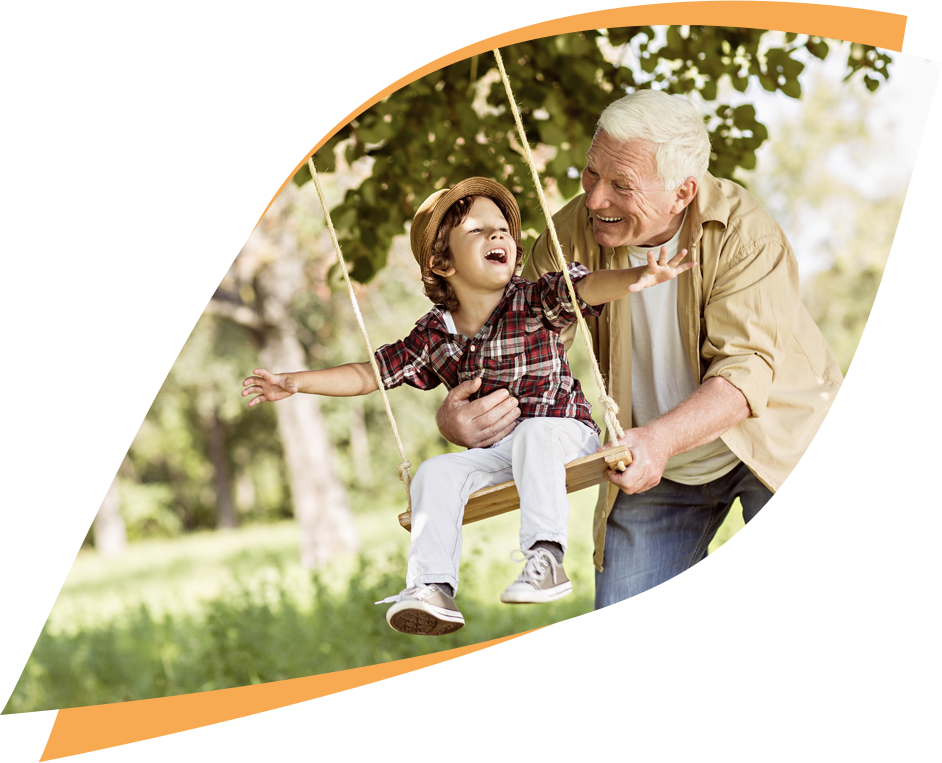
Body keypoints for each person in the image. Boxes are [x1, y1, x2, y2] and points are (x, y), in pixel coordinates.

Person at [436, 92, 894, 715]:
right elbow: (508, 339)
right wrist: (461, 415)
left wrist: (659, 440)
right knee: (631, 624)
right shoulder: (572, 233)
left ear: (683, 190)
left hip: (770, 437)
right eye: (591, 173)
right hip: (650, 454)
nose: (595, 198)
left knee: (811, 599)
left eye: (621, 184)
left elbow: (746, 371)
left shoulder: (742, 229)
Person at [242, 176, 694, 637]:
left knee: (536, 434)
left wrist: (639, 278)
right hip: (503, 452)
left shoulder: (535, 299)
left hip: (561, 434)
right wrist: (296, 382)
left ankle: (546, 558)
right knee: (435, 473)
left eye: (502, 230)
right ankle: (431, 587)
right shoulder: (433, 336)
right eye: (478, 231)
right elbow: (369, 373)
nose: (498, 236)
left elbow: (591, 287)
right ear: (442, 261)